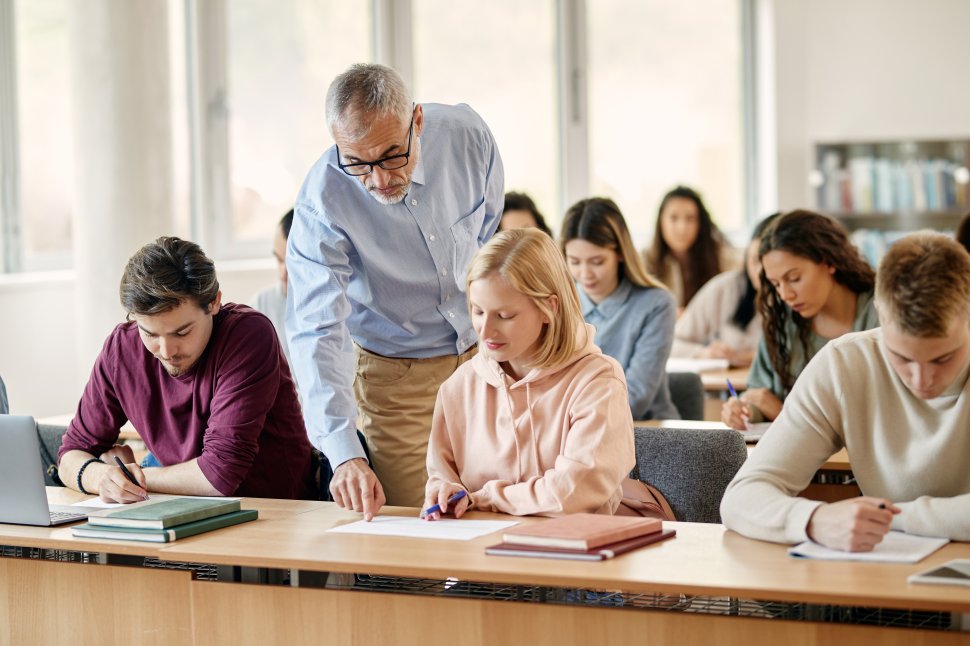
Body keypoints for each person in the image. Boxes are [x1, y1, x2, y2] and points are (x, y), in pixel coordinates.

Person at [287, 63, 504, 514]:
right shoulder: (322, 204)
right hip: (397, 377)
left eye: (391, 155)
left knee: (500, 511)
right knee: (420, 523)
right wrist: (345, 453)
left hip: (486, 360)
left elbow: (487, 236)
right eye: (358, 163)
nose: (379, 180)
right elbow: (316, 332)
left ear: (417, 121)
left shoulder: (468, 138)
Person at [722, 232, 970, 549]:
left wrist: (888, 519)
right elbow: (741, 498)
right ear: (881, 313)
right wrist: (813, 520)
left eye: (943, 359)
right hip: (887, 575)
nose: (922, 380)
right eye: (903, 358)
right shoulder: (844, 363)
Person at [57, 237, 315, 503]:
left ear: (214, 303)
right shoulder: (121, 348)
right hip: (177, 509)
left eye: (182, 332)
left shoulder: (248, 335)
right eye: (150, 334)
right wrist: (103, 478)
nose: (166, 351)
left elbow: (219, 476)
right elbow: (70, 454)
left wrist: (134, 477)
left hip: (273, 512)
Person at [423, 229, 637, 518]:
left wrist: (485, 498)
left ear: (549, 307)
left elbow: (571, 494)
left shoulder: (598, 381)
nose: (485, 331)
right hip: (479, 554)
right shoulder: (458, 387)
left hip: (574, 555)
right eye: (477, 311)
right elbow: (442, 477)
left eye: (505, 316)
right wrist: (443, 492)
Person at [721, 211, 879, 429]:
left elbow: (876, 417)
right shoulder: (781, 324)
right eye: (776, 284)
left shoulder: (881, 315)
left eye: (794, 279)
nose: (785, 294)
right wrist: (745, 411)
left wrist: (782, 413)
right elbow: (761, 397)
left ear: (829, 262)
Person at [561, 197, 678, 420]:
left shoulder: (657, 304)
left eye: (597, 262)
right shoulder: (558, 303)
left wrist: (572, 418)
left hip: (646, 433)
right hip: (575, 429)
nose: (585, 274)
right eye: (575, 262)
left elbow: (636, 396)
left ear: (620, 254)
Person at [671, 213, 781, 365]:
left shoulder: (799, 299)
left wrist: (743, 357)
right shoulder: (725, 288)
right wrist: (705, 353)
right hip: (729, 386)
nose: (761, 271)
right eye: (755, 260)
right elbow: (671, 343)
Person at [644, 186, 738, 311]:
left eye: (690, 219)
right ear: (661, 221)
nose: (682, 228)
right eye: (674, 218)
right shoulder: (645, 260)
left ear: (700, 223)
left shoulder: (721, 257)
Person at [250, 209, 294, 367]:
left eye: (292, 264)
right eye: (279, 260)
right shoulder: (261, 305)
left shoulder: (345, 309)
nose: (283, 275)